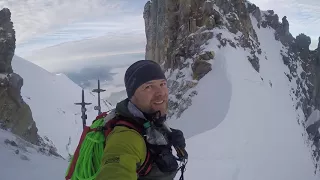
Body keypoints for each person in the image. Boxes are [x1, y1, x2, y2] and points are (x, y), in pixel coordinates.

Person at [96, 60, 187, 180]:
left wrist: (166, 136)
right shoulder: (125, 137)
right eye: (148, 87)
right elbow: (115, 170)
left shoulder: (148, 118)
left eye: (162, 84)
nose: (160, 93)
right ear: (132, 95)